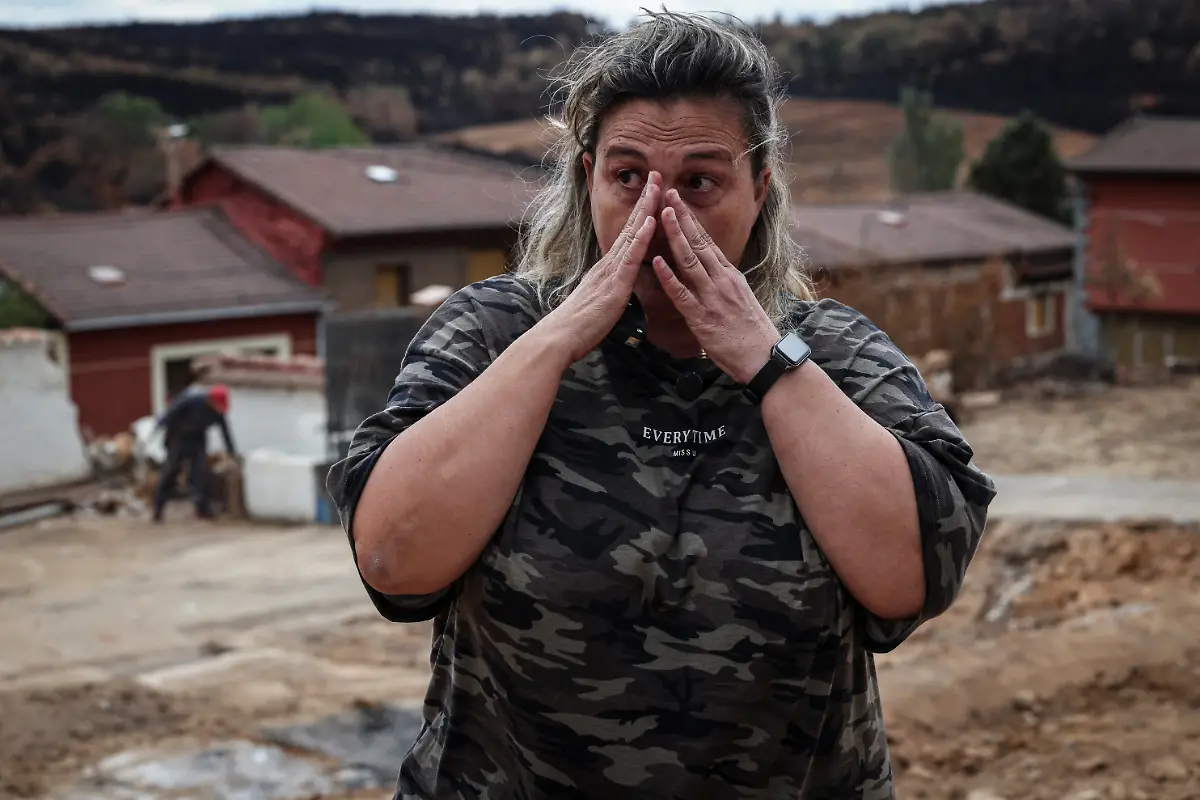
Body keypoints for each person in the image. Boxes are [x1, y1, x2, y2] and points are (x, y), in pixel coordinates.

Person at [327, 11, 996, 799]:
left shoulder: (835, 351)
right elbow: (393, 561)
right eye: (628, 177)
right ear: (588, 180)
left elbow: (913, 575)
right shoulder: (492, 332)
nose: (658, 214)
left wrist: (764, 357)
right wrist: (558, 337)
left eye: (700, 182)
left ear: (759, 190)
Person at [152, 383, 237, 522]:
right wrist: (159, 427)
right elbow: (171, 412)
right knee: (171, 470)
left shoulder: (217, 413)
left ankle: (202, 509)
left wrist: (231, 451)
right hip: (178, 436)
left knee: (200, 471)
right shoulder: (192, 399)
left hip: (198, 438)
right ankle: (158, 508)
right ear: (210, 400)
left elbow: (225, 432)